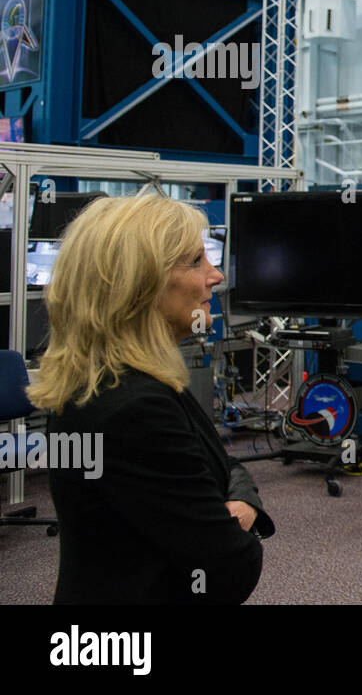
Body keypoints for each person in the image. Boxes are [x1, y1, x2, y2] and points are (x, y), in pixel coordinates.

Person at [27, 192, 273, 604]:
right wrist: (240, 514)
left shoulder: (112, 380)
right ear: (140, 285)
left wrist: (239, 500)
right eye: (196, 261)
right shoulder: (133, 408)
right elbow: (228, 567)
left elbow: (221, 462)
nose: (216, 276)